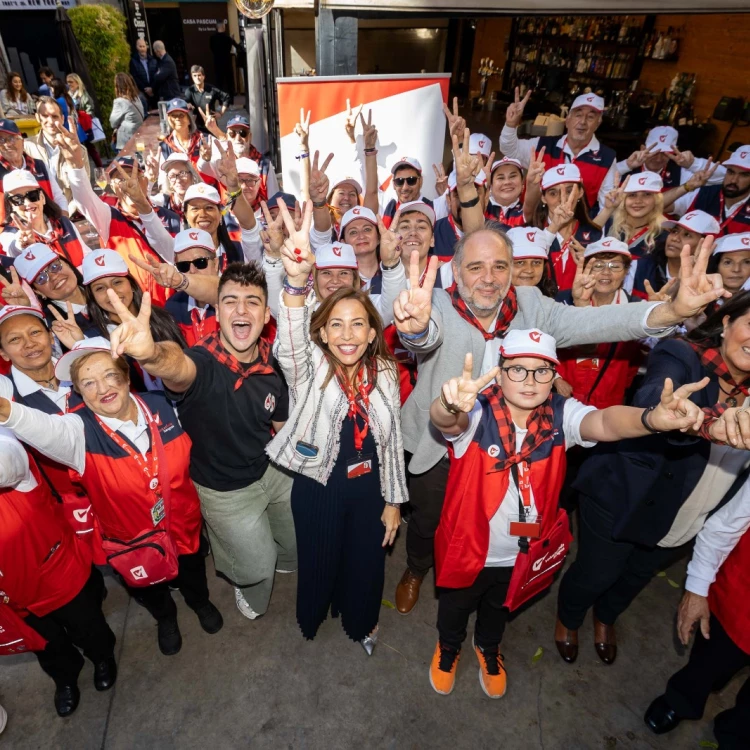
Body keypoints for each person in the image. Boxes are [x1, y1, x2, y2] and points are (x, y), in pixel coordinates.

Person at [390, 221, 728, 617]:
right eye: (475, 267)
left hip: (507, 450)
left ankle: (479, 589)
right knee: (427, 519)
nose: (488, 278)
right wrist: (413, 331)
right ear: (457, 270)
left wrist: (670, 311)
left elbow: (596, 323)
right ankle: (415, 570)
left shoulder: (532, 306)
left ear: (512, 270)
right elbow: (423, 335)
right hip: (439, 441)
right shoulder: (436, 305)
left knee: (488, 525)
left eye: (499, 266)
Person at [427, 329, 705, 698]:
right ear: (500, 370)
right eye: (517, 370)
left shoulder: (561, 415)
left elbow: (605, 423)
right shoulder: (476, 411)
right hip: (469, 545)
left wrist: (651, 419)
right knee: (456, 604)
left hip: (522, 549)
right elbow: (448, 424)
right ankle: (448, 647)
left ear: (554, 376)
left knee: (499, 606)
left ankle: (488, 646)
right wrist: (448, 406)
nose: (529, 381)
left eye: (541, 371)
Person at [555, 289, 750, 665]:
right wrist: (692, 419)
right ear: (726, 323)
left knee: (633, 579)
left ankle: (606, 617)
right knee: (597, 573)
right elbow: (652, 398)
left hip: (687, 519)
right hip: (623, 495)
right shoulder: (680, 355)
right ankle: (569, 616)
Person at [0, 336, 223, 656]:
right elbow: (42, 428)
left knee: (192, 569)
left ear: (126, 375)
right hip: (132, 541)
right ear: (78, 392)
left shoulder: (162, 404)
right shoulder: (76, 432)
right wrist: (6, 410)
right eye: (87, 383)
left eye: (108, 375)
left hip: (182, 522)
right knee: (149, 588)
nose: (101, 388)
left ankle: (199, 602)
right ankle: (166, 618)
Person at [106, 262, 297, 621]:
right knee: (258, 567)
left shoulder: (273, 359)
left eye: (252, 301)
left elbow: (281, 420)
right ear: (217, 310)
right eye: (230, 301)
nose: (241, 310)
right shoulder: (202, 361)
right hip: (225, 490)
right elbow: (178, 368)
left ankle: (280, 555)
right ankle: (245, 577)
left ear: (266, 314)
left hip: (273, 469)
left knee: (294, 544)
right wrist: (150, 355)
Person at [266, 201, 406, 653]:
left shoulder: (385, 373)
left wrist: (394, 502)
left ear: (371, 333)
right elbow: (288, 342)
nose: (347, 335)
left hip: (369, 489)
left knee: (367, 565)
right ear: (323, 333)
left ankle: (362, 623)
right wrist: (293, 282)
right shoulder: (308, 366)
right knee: (320, 560)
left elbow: (391, 442)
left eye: (358, 325)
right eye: (336, 326)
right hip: (318, 486)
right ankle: (312, 617)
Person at [0, 423, 116, 718]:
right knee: (46, 645)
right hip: (11, 597)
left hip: (56, 574)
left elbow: (8, 462)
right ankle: (66, 676)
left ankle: (101, 657)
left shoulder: (7, 449)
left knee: (87, 625)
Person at [644, 466, 750, 746]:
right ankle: (682, 701)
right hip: (742, 605)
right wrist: (696, 589)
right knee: (709, 663)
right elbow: (726, 525)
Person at [0, 304, 100, 551]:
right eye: (15, 339)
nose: (29, 344)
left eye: (35, 332)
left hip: (120, 489)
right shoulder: (7, 397)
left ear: (50, 336)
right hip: (68, 513)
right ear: (3, 353)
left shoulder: (82, 368)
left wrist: (81, 345)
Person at [58, 125, 181, 306]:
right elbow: (85, 199)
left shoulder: (170, 216)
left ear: (145, 180)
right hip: (131, 306)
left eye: (132, 176)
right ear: (113, 188)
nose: (127, 184)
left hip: (172, 304)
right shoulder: (108, 217)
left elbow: (176, 256)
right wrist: (76, 166)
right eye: (119, 179)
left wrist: (142, 205)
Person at [555, 239, 643, 408]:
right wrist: (556, 378)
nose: (606, 273)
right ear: (586, 269)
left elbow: (638, 358)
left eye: (615, 266)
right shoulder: (563, 301)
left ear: (626, 272)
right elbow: (543, 345)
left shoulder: (635, 308)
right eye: (598, 265)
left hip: (609, 405)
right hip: (564, 398)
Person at [501, 90, 617, 212]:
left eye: (590, 117)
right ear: (568, 120)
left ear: (597, 124)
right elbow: (509, 149)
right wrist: (510, 124)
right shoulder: (543, 145)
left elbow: (606, 204)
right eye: (578, 115)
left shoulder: (606, 158)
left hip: (574, 228)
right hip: (534, 223)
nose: (583, 122)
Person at [532, 163, 603, 291]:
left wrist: (593, 264)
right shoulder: (530, 232)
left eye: (569, 191)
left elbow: (605, 283)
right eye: (553, 193)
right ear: (543, 198)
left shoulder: (595, 234)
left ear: (580, 192)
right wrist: (553, 227)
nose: (562, 199)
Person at [0, 170, 88, 265]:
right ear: (11, 205)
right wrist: (22, 245)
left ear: (42, 197)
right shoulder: (9, 234)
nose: (27, 203)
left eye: (32, 195)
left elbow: (87, 256)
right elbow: (12, 249)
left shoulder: (64, 223)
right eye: (17, 199)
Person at [11, 243, 96, 337]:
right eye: (41, 278)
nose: (53, 277)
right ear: (37, 291)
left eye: (55, 266)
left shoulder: (101, 287)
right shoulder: (52, 328)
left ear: (67, 264)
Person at [633, 210, 720, 301]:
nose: (675, 238)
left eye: (687, 235)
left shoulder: (712, 280)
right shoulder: (639, 267)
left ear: (705, 244)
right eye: (674, 231)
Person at [667, 147, 750, 235]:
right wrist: (686, 187)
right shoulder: (703, 193)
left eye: (744, 175)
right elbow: (658, 205)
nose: (733, 180)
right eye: (730, 172)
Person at [617, 126, 725, 193]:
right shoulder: (627, 167)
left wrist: (693, 164)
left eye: (665, 154)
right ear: (642, 149)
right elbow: (602, 178)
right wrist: (626, 166)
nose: (659, 159)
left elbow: (724, 177)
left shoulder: (680, 171)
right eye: (654, 152)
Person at [25, 97, 90, 206]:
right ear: (37, 117)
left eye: (55, 116)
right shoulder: (26, 148)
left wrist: (66, 214)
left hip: (71, 213)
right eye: (45, 116)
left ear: (62, 119)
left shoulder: (78, 150)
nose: (50, 121)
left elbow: (84, 190)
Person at [198, 114, 279, 201]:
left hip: (259, 213)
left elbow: (274, 198)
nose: (238, 138)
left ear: (250, 137)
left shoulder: (264, 164)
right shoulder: (222, 161)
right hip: (229, 213)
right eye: (232, 133)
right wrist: (206, 158)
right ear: (227, 137)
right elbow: (202, 168)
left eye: (243, 133)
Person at [0, 118, 67, 220]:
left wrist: (64, 222)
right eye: (1, 140)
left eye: (12, 138)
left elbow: (58, 197)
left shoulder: (40, 165)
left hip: (49, 227)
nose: (7, 144)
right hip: (15, 232)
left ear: (22, 141)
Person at [163, 228, 220, 345]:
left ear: (216, 264)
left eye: (200, 262)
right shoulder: (173, 305)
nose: (192, 271)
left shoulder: (234, 298)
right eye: (183, 266)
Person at [432, 170, 488, 263]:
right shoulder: (431, 234)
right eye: (458, 194)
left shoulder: (503, 234)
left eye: (474, 193)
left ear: (486, 197)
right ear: (448, 200)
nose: (467, 200)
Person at [508, 226, 556, 298]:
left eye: (536, 263)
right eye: (520, 263)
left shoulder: (551, 301)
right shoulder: (492, 303)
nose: (529, 270)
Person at [183, 66, 230, 134]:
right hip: (196, 126)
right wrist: (188, 105)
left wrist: (221, 113)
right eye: (195, 76)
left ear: (203, 76)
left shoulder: (211, 89)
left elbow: (226, 97)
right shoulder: (190, 91)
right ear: (192, 77)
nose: (197, 78)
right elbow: (186, 102)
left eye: (199, 75)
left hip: (212, 125)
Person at [485, 157, 526, 226]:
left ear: (522, 183)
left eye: (512, 176)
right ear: (491, 185)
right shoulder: (481, 207)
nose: (507, 182)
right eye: (501, 178)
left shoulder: (528, 213)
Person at [110, 73, 144, 153]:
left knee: (126, 163)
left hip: (126, 140)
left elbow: (113, 123)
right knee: (139, 161)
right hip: (139, 137)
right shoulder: (137, 98)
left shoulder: (119, 102)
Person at [209, 21, 237, 98]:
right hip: (227, 63)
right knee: (230, 83)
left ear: (217, 27)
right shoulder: (228, 38)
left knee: (219, 83)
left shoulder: (212, 38)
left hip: (217, 63)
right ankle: (231, 102)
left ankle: (220, 102)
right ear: (224, 27)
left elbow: (212, 48)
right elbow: (232, 48)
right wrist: (232, 40)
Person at [129, 38, 158, 110]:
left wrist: (152, 88)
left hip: (154, 91)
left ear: (146, 47)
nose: (142, 49)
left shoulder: (153, 60)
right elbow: (135, 77)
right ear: (136, 47)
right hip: (142, 92)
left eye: (143, 46)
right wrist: (146, 89)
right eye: (140, 46)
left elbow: (157, 75)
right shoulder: (133, 61)